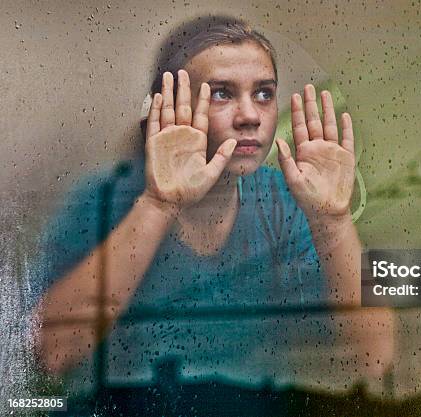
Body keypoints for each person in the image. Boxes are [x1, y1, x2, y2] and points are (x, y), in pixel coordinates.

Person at [31, 14, 392, 404]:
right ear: (172, 107)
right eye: (222, 93)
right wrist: (158, 204)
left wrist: (333, 221)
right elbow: (52, 352)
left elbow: (376, 354)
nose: (250, 115)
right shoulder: (102, 200)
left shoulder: (285, 204)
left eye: (264, 94)